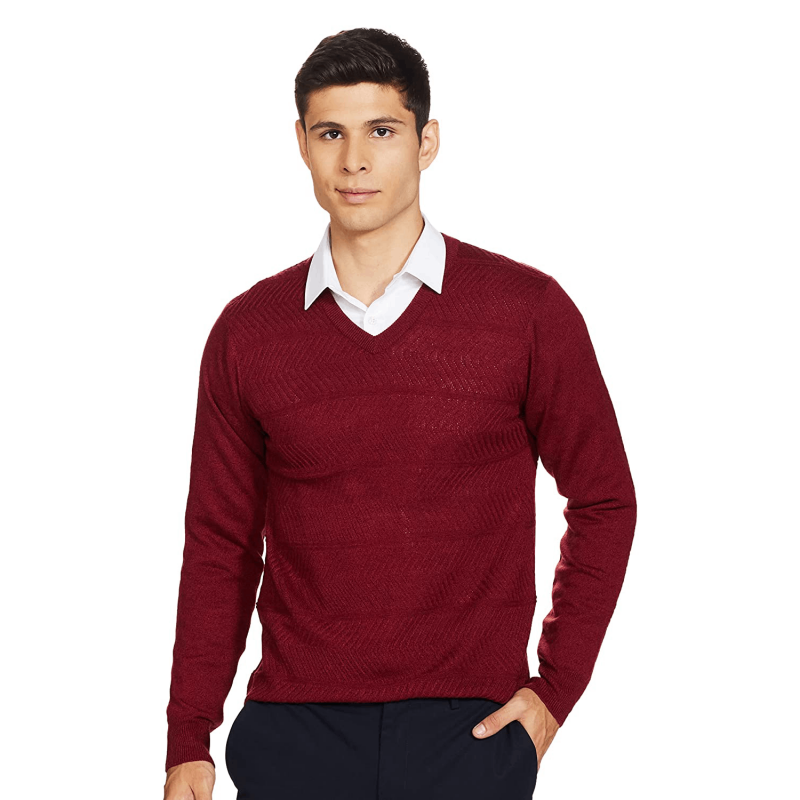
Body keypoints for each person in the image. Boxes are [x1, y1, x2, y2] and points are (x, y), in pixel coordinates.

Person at [163, 27, 637, 800]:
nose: (355, 160)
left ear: (427, 141)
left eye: (381, 131)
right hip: (293, 733)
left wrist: (555, 692)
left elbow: (606, 500)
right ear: (301, 144)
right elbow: (221, 542)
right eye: (331, 133)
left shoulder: (526, 312)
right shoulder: (249, 333)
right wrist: (189, 737)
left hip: (469, 735)